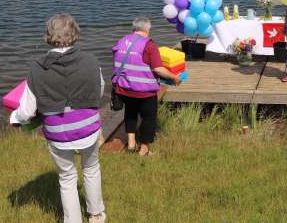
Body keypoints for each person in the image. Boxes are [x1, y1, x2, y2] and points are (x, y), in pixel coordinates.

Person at [10, 14, 106, 223]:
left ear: (48, 35)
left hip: (58, 133)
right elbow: (98, 92)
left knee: (67, 178)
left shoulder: (37, 68)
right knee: (91, 169)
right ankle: (96, 215)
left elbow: (26, 111)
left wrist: (14, 117)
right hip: (88, 128)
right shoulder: (91, 61)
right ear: (75, 33)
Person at [111, 17, 180, 157]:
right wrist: (174, 77)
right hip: (144, 91)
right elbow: (158, 69)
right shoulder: (149, 45)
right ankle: (144, 149)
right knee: (149, 118)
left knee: (130, 113)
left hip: (124, 88)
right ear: (147, 29)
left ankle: (131, 144)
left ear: (134, 28)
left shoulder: (122, 41)